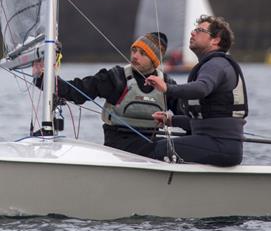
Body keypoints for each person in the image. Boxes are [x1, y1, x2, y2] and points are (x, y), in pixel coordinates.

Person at [33, 32, 180, 158]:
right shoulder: (116, 78)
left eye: (142, 53)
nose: (135, 56)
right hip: (117, 149)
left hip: (152, 151)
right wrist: (43, 79)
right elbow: (78, 90)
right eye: (134, 50)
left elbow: (188, 116)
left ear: (154, 61)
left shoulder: (167, 84)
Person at [146, 15, 248, 166]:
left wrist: (167, 88)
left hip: (220, 144)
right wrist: (171, 120)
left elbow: (201, 88)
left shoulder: (216, 64)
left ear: (215, 39)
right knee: (154, 143)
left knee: (156, 149)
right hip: (215, 142)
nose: (192, 33)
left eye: (199, 30)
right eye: (194, 30)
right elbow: (204, 120)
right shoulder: (211, 64)